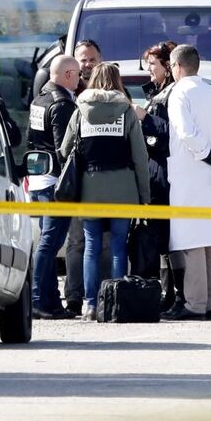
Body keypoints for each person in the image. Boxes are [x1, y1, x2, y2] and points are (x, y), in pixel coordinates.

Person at [59, 63, 150, 321]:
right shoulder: (126, 112)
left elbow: (66, 150)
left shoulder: (80, 111)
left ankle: (89, 304)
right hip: (123, 186)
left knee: (91, 245)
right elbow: (140, 157)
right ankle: (116, 302)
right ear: (118, 81)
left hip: (90, 186)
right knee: (119, 246)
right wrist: (144, 197)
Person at [162, 45, 211, 321]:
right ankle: (208, 302)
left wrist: (209, 157)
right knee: (210, 242)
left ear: (177, 67)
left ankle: (194, 304)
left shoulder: (179, 93)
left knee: (192, 240)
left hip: (190, 174)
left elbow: (186, 132)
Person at [132, 40, 184, 310]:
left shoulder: (173, 93)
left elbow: (171, 133)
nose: (148, 69)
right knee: (160, 236)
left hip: (166, 172)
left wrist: (144, 118)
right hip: (154, 171)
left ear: (167, 65)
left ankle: (175, 295)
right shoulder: (158, 92)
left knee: (169, 236)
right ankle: (167, 294)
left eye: (152, 64)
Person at [28, 55, 80, 320]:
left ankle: (49, 302)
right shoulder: (62, 103)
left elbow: (30, 139)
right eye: (78, 74)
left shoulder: (40, 99)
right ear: (69, 74)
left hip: (38, 179)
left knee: (47, 242)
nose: (80, 79)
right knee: (50, 243)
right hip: (55, 183)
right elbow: (64, 149)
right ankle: (38, 298)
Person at [63, 38, 103, 314]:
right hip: (78, 181)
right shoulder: (68, 94)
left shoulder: (113, 91)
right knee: (77, 241)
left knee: (107, 242)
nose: (87, 64)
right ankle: (75, 295)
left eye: (92, 59)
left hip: (107, 180)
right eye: (82, 60)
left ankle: (105, 294)